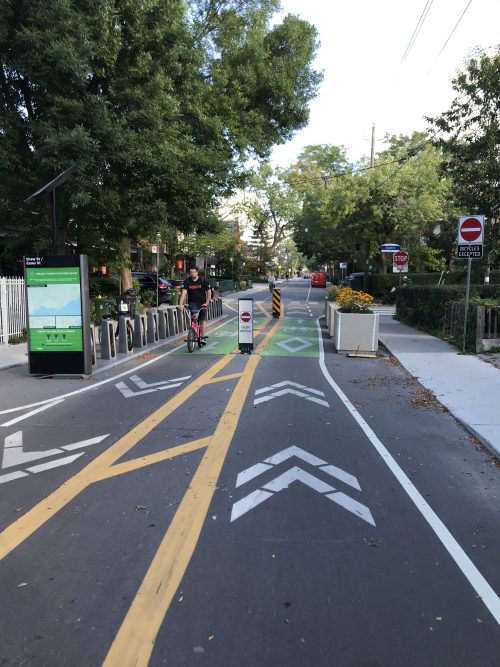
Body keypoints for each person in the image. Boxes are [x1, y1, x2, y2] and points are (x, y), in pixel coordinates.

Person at [179, 266, 212, 343]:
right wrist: (180, 304)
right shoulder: (187, 281)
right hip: (193, 303)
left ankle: (202, 336)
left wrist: (207, 302)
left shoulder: (203, 281)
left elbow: (209, 292)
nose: (192, 273)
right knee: (194, 317)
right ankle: (193, 334)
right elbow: (184, 293)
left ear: (197, 272)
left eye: (193, 272)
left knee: (202, 320)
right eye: (190, 272)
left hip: (202, 303)